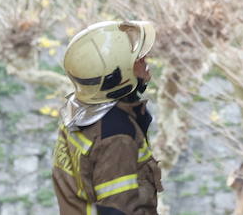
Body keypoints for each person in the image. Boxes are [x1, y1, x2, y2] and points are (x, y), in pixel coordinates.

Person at [52, 20, 163, 215]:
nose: (145, 62)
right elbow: (117, 209)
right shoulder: (117, 134)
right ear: (117, 76)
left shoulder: (78, 109)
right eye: (138, 59)